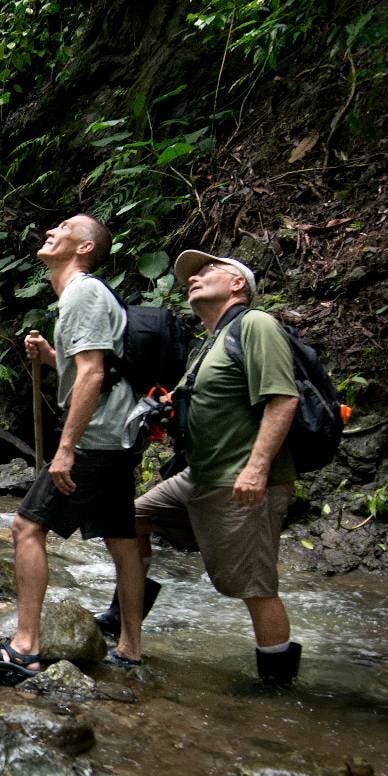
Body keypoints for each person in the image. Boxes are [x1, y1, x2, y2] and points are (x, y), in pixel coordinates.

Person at [0, 216, 147, 678]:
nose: (51, 228)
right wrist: (51, 357)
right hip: (119, 435)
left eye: (64, 226)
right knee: (123, 540)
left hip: (96, 438)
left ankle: (25, 646)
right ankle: (129, 647)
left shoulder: (84, 292)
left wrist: (66, 448)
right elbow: (94, 363)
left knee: (26, 528)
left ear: (84, 246)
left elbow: (92, 374)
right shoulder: (83, 294)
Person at [132, 250, 302, 686]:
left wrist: (257, 469)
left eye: (208, 271)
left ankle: (276, 683)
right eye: (191, 274)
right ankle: (123, 616)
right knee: (130, 519)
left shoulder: (255, 325)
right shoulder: (210, 342)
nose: (195, 278)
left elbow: (283, 398)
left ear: (237, 285)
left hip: (240, 482)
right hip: (200, 476)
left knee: (255, 586)